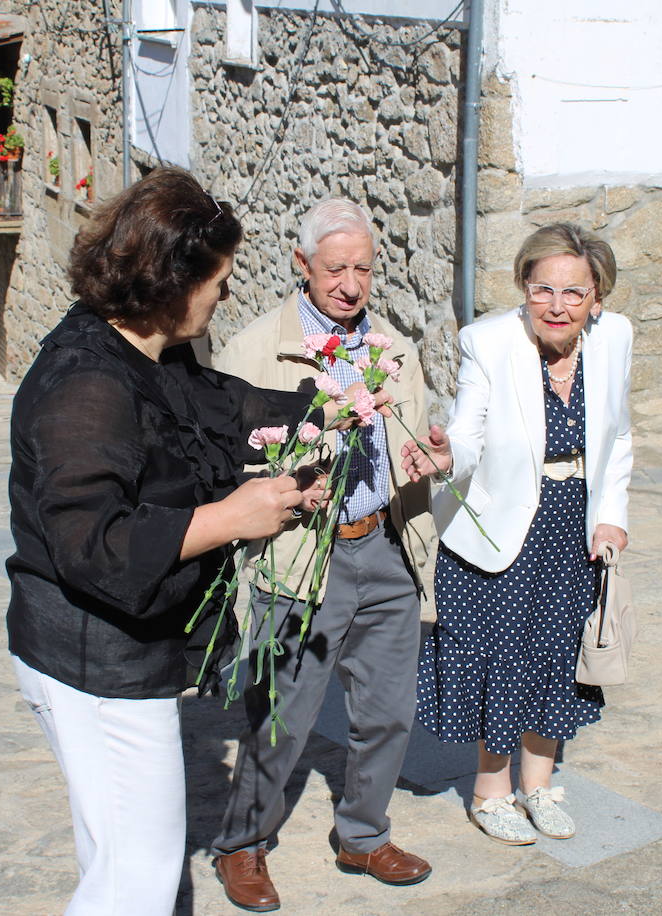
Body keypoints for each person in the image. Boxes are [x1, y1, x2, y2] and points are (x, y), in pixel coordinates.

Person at [5, 168, 330, 914]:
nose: (223, 295)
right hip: (94, 662)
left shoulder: (151, 354)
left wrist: (323, 415)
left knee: (121, 861)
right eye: (216, 280)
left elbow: (222, 407)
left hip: (127, 656)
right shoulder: (85, 384)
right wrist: (231, 518)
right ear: (170, 281)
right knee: (136, 882)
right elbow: (93, 544)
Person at [209, 198, 435, 910]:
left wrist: (431, 460)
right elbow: (225, 464)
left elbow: (415, 442)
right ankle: (242, 844)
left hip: (386, 549)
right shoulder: (251, 352)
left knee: (390, 710)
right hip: (303, 559)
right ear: (302, 265)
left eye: (364, 268)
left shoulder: (395, 348)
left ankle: (364, 838)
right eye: (335, 268)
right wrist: (286, 485)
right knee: (283, 715)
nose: (350, 282)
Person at [402, 222, 633, 846]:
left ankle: (538, 783)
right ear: (523, 288)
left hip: (571, 526)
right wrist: (448, 456)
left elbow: (619, 437)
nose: (557, 306)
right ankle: (490, 791)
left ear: (597, 298)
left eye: (574, 293)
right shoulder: (489, 341)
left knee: (556, 656)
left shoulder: (614, 341)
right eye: (543, 289)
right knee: (499, 660)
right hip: (500, 528)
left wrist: (613, 511)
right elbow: (470, 426)